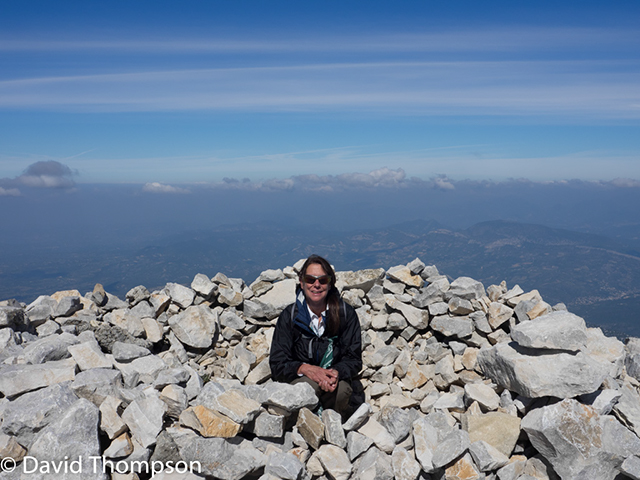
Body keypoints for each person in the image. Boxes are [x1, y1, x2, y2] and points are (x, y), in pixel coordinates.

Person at [269, 254, 362, 415]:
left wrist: (335, 373)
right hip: (302, 378)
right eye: (310, 279)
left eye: (322, 280)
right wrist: (305, 369)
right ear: (302, 282)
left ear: (330, 283)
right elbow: (277, 363)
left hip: (333, 379)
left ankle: (331, 424)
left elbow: (354, 359)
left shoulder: (345, 314)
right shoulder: (290, 316)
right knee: (307, 388)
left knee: (341, 391)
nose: (316, 285)